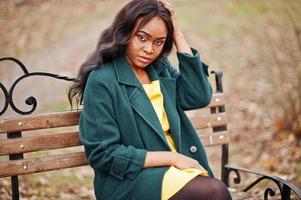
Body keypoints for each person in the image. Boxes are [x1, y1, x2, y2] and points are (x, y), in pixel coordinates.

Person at [68, 0, 232, 199]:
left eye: (158, 42)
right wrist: (171, 158)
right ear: (125, 32)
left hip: (177, 171)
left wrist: (177, 34)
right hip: (130, 180)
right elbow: (103, 154)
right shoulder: (103, 79)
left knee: (213, 191)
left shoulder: (159, 68)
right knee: (215, 191)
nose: (149, 49)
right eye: (142, 38)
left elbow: (199, 96)